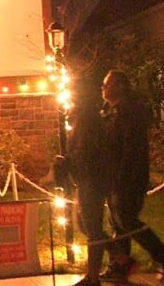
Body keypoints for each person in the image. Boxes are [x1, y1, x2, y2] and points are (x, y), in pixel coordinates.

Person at [101, 70, 164, 280]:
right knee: (117, 222)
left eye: (107, 84)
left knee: (126, 220)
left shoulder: (127, 111)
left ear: (119, 86)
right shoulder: (113, 111)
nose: (103, 89)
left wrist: (122, 175)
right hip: (115, 176)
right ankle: (120, 264)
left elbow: (131, 148)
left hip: (128, 177)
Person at [59, 88, 110, 286]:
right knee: (83, 223)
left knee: (92, 226)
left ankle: (93, 276)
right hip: (84, 178)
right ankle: (117, 254)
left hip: (92, 178)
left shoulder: (87, 120)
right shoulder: (79, 118)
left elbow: (86, 150)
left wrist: (69, 162)